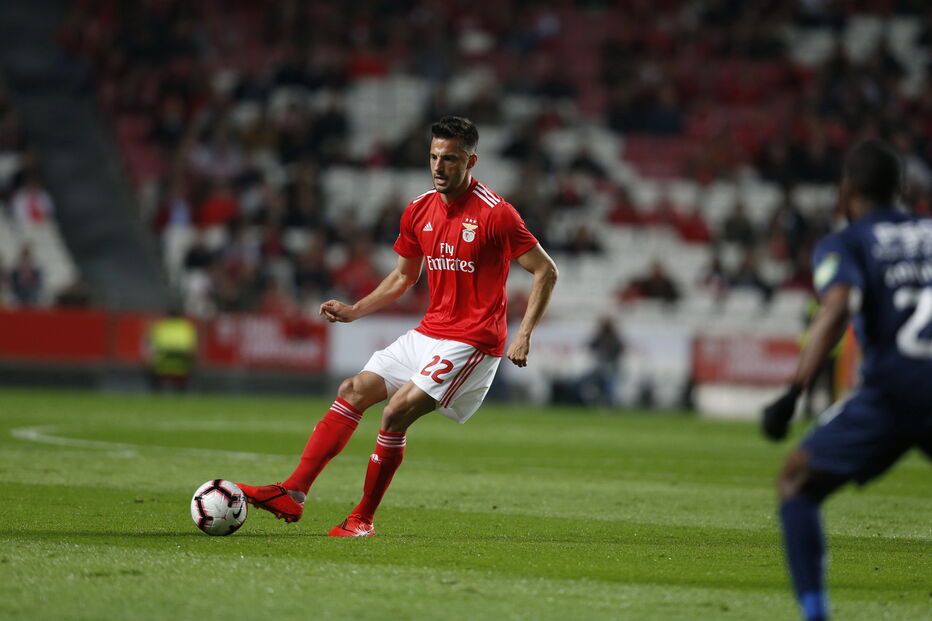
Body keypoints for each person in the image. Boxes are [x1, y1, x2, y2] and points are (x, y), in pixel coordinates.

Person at [238, 116, 559, 536]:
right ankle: (292, 492)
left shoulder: (496, 214)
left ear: (471, 161)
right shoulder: (419, 209)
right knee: (352, 390)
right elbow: (403, 277)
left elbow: (545, 270)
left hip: (472, 340)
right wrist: (355, 310)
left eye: (450, 159)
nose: (439, 167)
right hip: (429, 333)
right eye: (433, 157)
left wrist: (524, 334)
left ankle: (362, 519)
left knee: (395, 413)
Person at [761, 140, 932, 621]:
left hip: (891, 394)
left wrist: (793, 393)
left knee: (796, 482)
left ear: (847, 190)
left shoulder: (847, 242)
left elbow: (837, 306)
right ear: (902, 190)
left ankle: (815, 614)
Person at [148, 304, 198, 391]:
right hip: (182, 366)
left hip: (161, 366)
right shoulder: (187, 327)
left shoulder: (160, 327)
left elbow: (152, 348)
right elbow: (191, 349)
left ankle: (155, 394)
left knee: (150, 370)